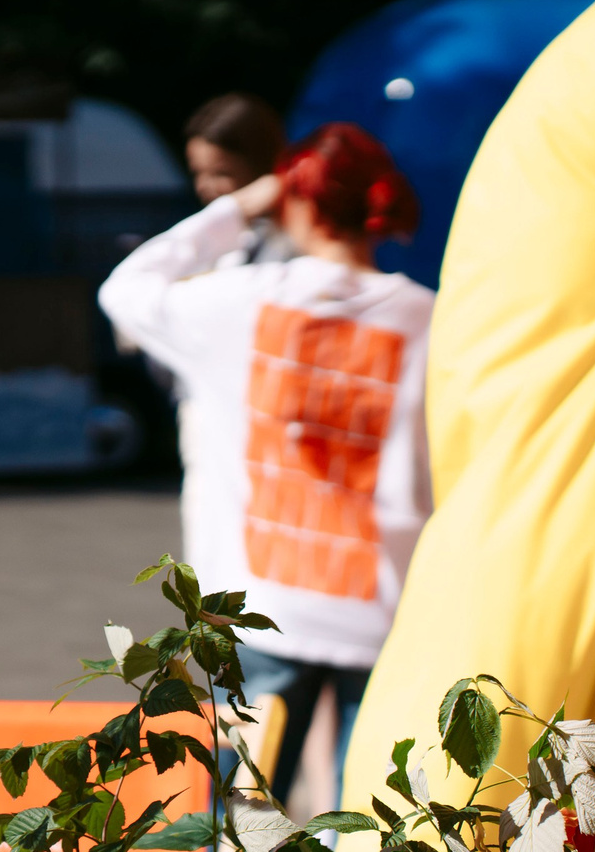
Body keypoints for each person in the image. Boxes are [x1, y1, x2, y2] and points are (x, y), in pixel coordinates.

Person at [99, 122, 433, 806]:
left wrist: (237, 206)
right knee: (378, 823)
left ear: (296, 198)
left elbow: (126, 287)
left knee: (242, 824)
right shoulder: (428, 318)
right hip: (387, 602)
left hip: (262, 602)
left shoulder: (240, 301)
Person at [181, 91, 294, 267]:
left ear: (261, 166)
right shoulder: (199, 241)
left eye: (221, 173)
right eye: (196, 172)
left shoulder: (289, 242)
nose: (202, 186)